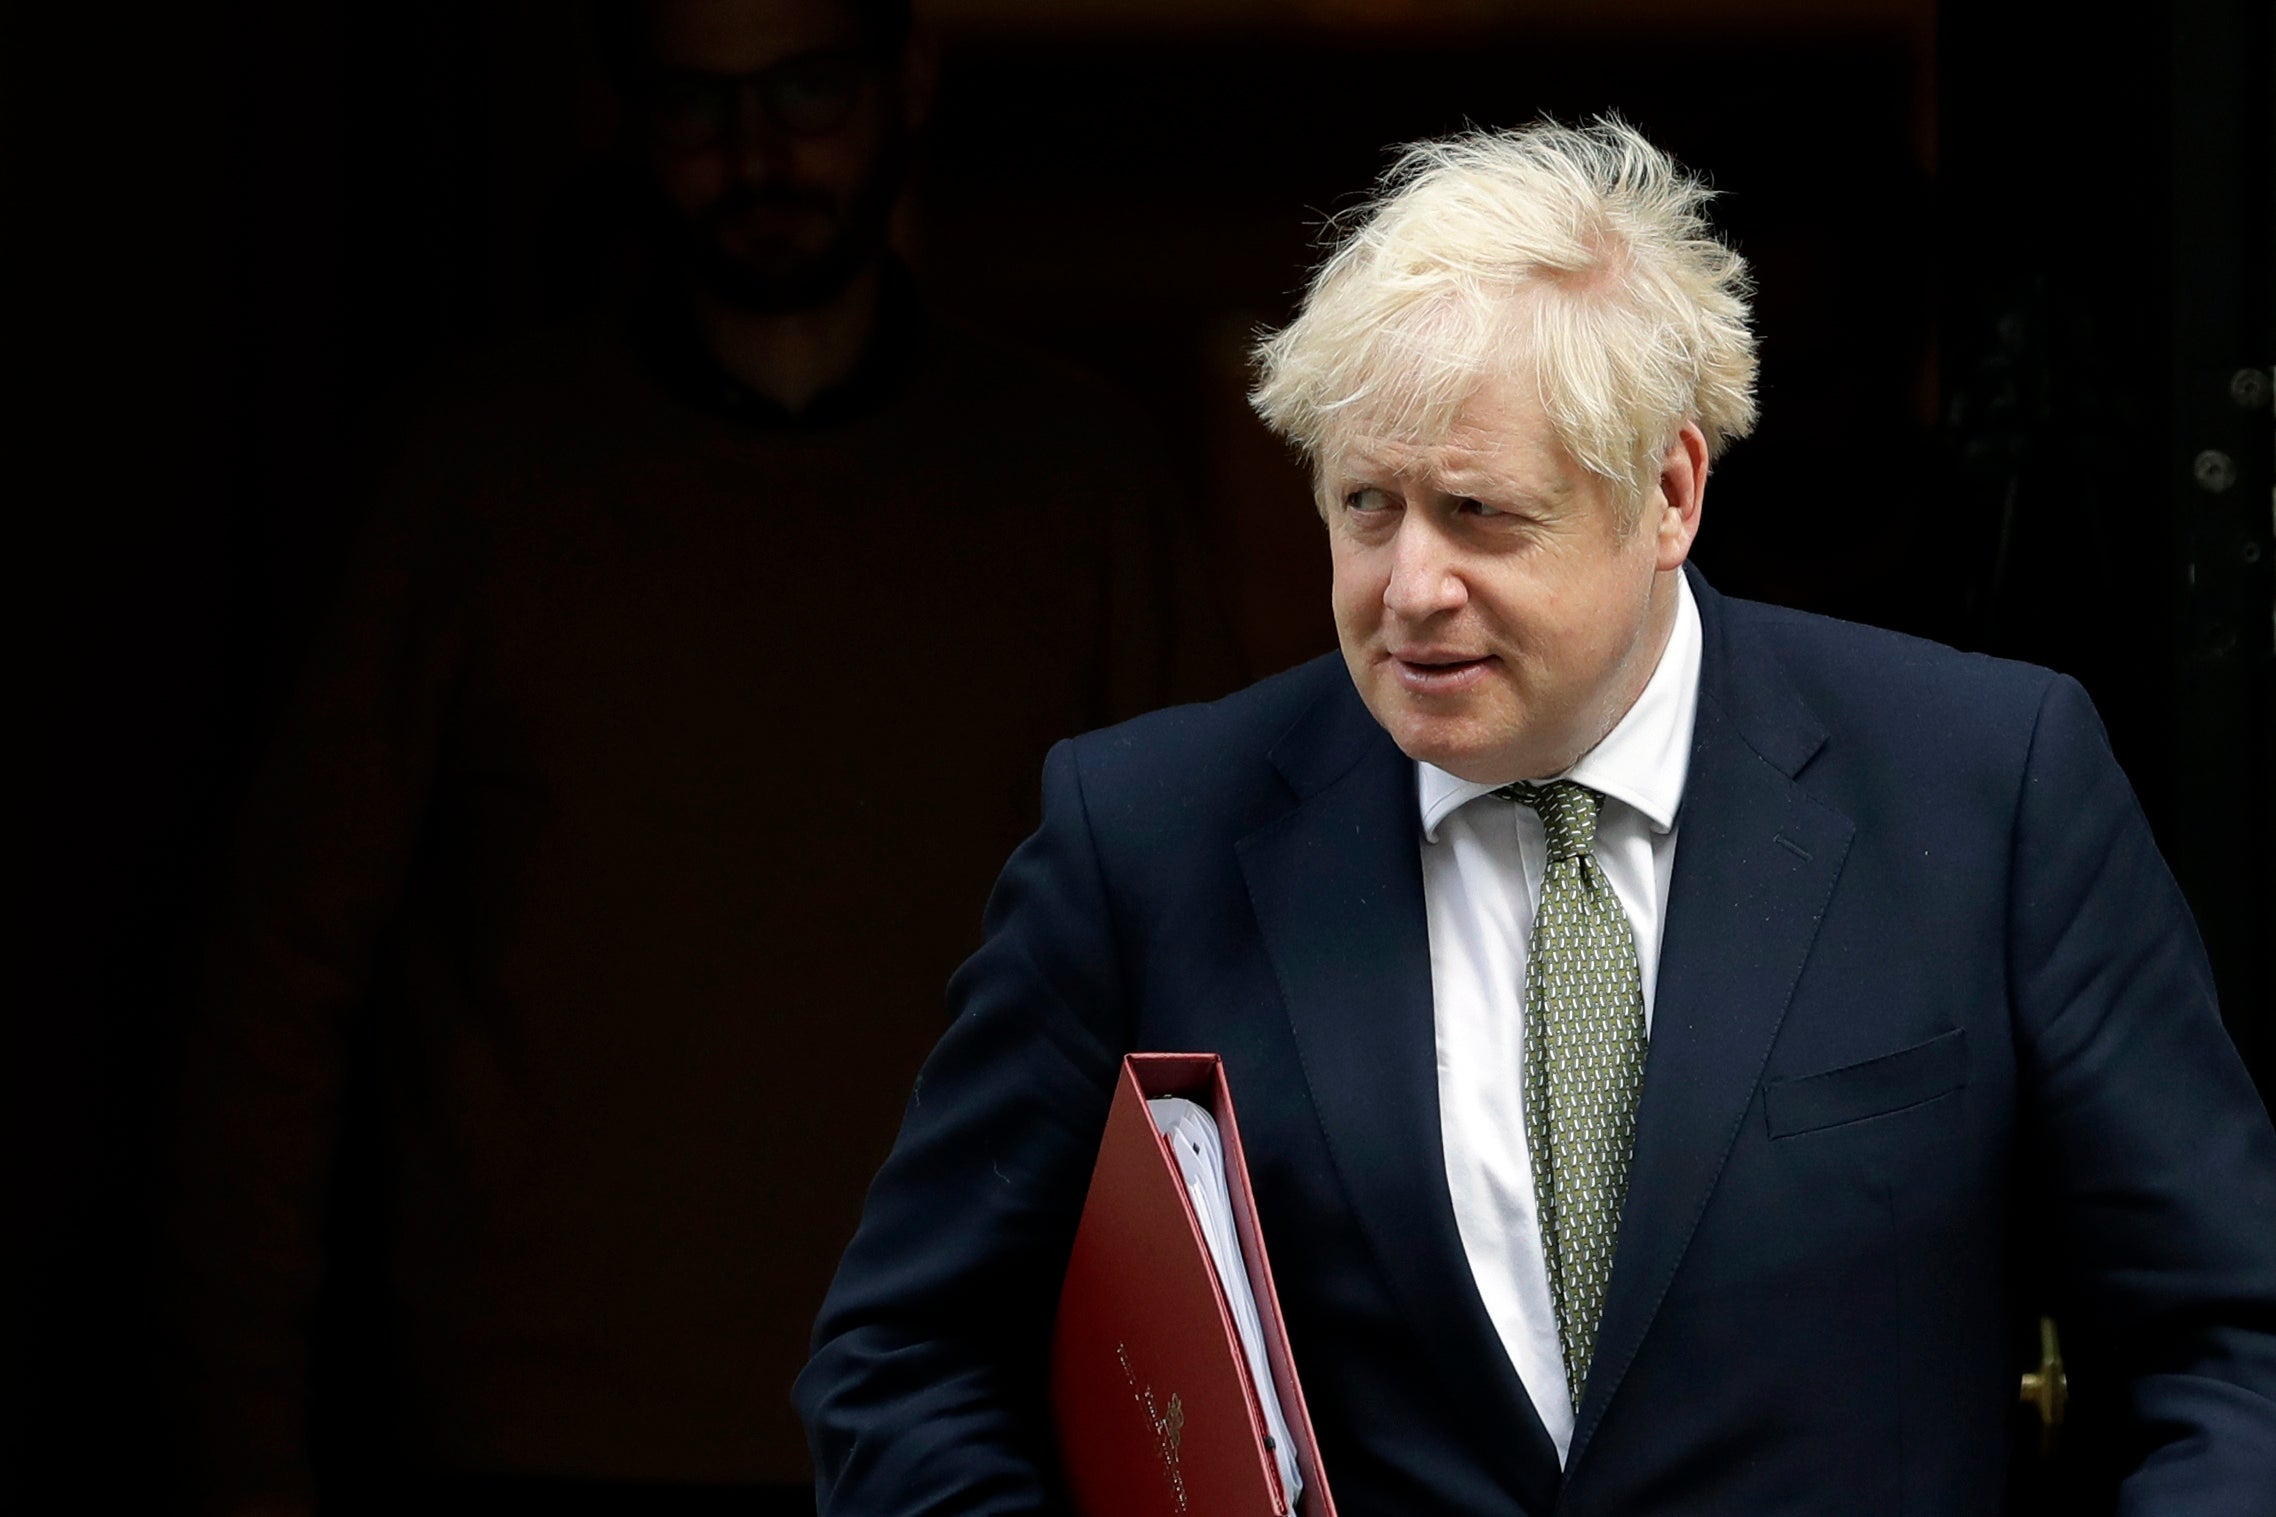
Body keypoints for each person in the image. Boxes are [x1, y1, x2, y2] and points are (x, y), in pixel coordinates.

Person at [795, 118, 2276, 1514]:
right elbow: (902, 1366)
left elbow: (2229, 1339)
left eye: (1480, 514)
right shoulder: (1148, 836)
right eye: (1366, 507)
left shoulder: (1988, 783)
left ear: (1670, 491)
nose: (1409, 587)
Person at [166, 1, 1232, 1513]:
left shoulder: (1077, 491)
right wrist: (248, 1457)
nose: (755, 154)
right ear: (627, 118)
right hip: (532, 1434)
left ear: (904, 78)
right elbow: (274, 1000)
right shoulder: (472, 485)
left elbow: (1208, 1001)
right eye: (696, 105)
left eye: (805, 90)